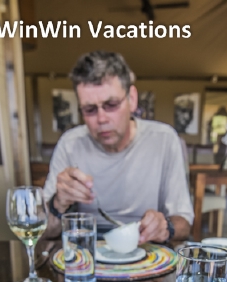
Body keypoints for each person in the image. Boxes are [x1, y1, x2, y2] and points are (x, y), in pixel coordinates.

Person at [43, 51, 193, 244]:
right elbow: (46, 231)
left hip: (148, 248)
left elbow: (184, 223)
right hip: (89, 249)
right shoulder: (70, 144)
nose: (101, 119)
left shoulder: (164, 140)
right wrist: (58, 203)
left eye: (111, 104)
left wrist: (166, 227)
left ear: (132, 99)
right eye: (89, 109)